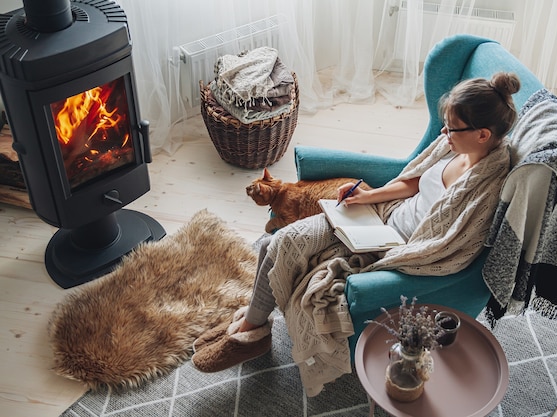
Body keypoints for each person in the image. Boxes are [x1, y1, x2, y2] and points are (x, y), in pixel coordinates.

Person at [191, 72, 521, 396]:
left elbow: (452, 246)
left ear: (482, 135)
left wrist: (391, 251)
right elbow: (416, 180)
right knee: (274, 243)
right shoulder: (454, 146)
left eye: (453, 128)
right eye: (445, 124)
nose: (444, 132)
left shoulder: (488, 186)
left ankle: (250, 330)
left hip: (392, 246)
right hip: (379, 218)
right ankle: (254, 327)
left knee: (276, 243)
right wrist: (367, 197)